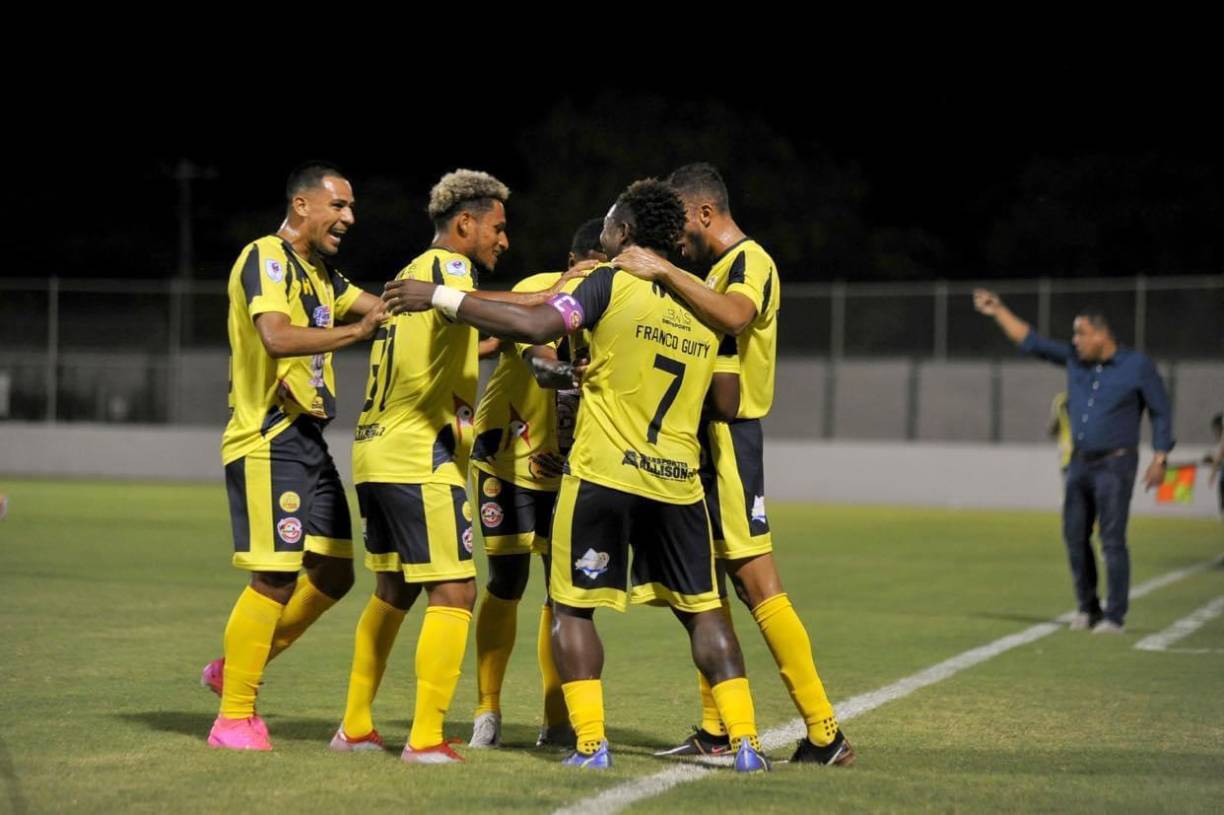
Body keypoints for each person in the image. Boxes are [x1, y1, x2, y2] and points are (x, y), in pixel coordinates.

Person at [384, 178, 770, 773]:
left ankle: (590, 745)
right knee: (705, 611)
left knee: (571, 608)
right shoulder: (705, 304)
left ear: (625, 232)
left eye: (611, 223)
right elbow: (725, 400)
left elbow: (539, 326)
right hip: (676, 481)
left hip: (603, 475)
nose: (604, 232)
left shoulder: (608, 281)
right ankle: (745, 744)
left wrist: (441, 297)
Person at [335, 170, 588, 764]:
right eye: (497, 228)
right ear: (465, 224)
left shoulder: (411, 272)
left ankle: (355, 727)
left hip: (374, 449)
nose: (504, 240)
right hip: (419, 454)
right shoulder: (448, 269)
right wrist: (553, 294)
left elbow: (448, 341)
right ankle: (426, 738)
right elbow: (476, 307)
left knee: (394, 589)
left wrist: (492, 343)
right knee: (456, 589)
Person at [612, 163, 853, 766]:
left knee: (755, 582)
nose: (677, 240)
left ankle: (825, 732)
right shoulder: (714, 272)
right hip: (696, 444)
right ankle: (717, 729)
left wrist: (663, 271)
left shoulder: (750, 261)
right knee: (701, 588)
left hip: (729, 442)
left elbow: (738, 315)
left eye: (682, 225)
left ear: (704, 212)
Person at [207, 162, 387, 751]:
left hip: (308, 440)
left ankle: (236, 666)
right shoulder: (267, 257)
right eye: (339, 205)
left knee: (335, 572)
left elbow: (384, 309)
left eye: (351, 207)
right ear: (301, 205)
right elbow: (277, 337)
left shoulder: (322, 274)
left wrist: (466, 310)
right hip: (268, 437)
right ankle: (233, 718)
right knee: (276, 575)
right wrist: (355, 334)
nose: (349, 218)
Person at [467, 218, 607, 750]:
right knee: (506, 582)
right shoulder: (540, 290)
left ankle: (557, 718)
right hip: (507, 460)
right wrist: (572, 373)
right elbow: (541, 361)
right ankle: (487, 711)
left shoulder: (612, 306)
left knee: (562, 592)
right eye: (593, 268)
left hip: (568, 468)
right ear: (573, 263)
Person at [974, 290, 1174, 633]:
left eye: (1081, 333)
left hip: (1116, 464)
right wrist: (999, 311)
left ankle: (1114, 617)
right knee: (1074, 535)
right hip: (1079, 463)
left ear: (1101, 334)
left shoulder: (1137, 366)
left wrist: (1160, 456)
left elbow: (1160, 411)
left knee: (1112, 540)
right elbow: (1032, 342)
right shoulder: (1074, 359)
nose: (1075, 340)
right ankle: (1088, 608)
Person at [1049, 391, 1073, 476]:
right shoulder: (1087, 401)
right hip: (1082, 456)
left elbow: (1053, 429)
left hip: (1066, 456)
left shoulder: (1060, 401)